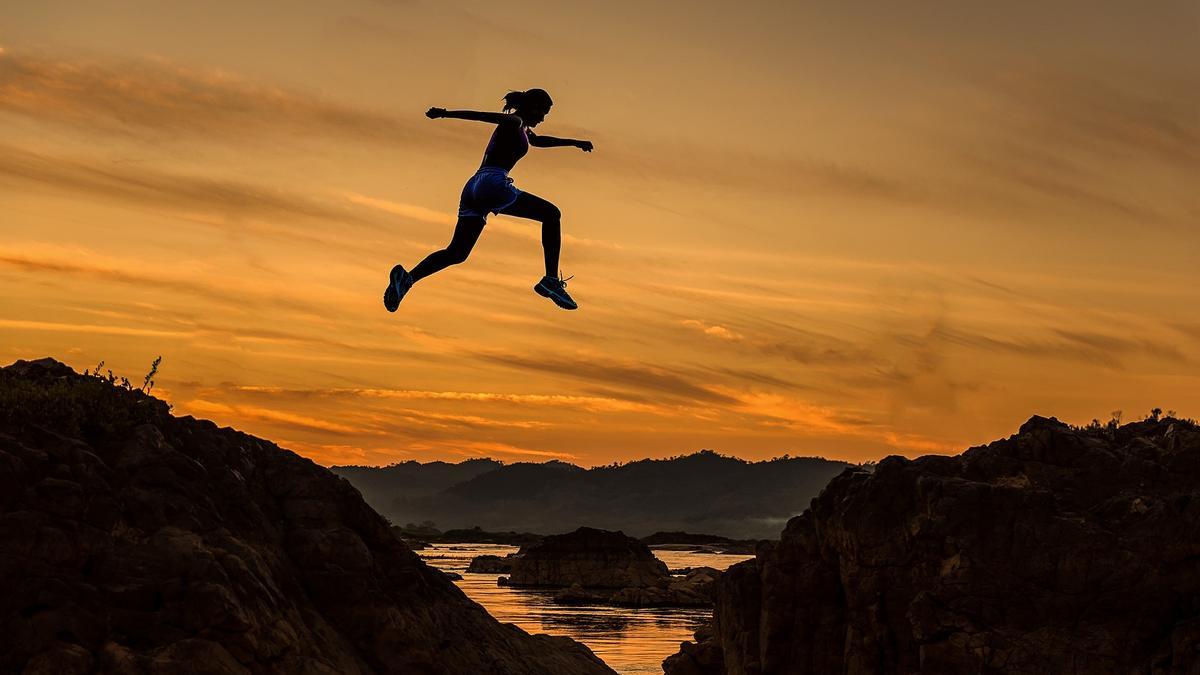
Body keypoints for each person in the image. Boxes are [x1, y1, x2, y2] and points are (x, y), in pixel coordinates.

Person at [383, 88, 594, 312]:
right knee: (552, 214)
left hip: (473, 187)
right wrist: (445, 113)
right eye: (542, 112)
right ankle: (550, 280)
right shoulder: (514, 121)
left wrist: (574, 142)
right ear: (531, 106)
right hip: (493, 182)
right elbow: (483, 116)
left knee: (457, 253)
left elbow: (539, 141)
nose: (543, 118)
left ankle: (407, 279)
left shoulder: (523, 129)